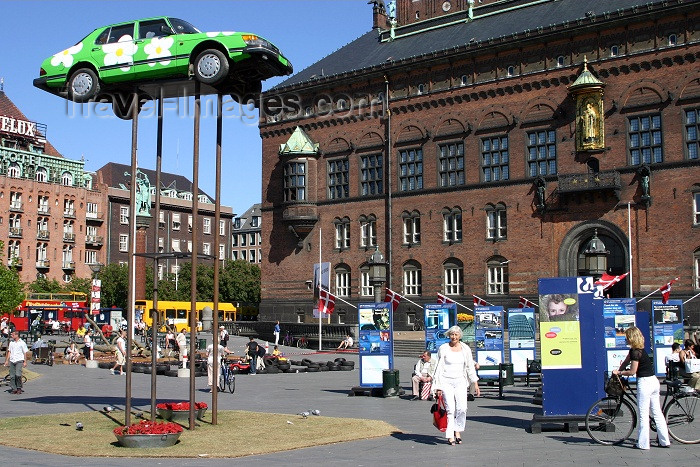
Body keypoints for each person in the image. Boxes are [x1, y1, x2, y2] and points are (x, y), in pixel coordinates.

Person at [613, 326, 670, 449]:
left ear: (631, 338)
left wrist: (620, 373)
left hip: (645, 382)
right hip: (654, 381)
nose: (626, 339)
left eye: (627, 337)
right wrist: (619, 369)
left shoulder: (635, 352)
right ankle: (665, 441)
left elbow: (633, 371)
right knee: (657, 413)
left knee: (643, 414)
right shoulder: (639, 350)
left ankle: (643, 444)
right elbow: (625, 362)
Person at [431, 325, 480, 446]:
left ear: (460, 336)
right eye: (452, 334)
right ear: (449, 335)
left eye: (456, 335)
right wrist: (438, 387)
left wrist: (475, 382)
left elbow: (469, 366)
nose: (454, 337)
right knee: (450, 409)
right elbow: (438, 368)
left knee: (462, 408)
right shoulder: (443, 348)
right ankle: (450, 435)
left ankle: (457, 430)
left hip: (460, 381)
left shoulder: (465, 349)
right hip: (446, 381)